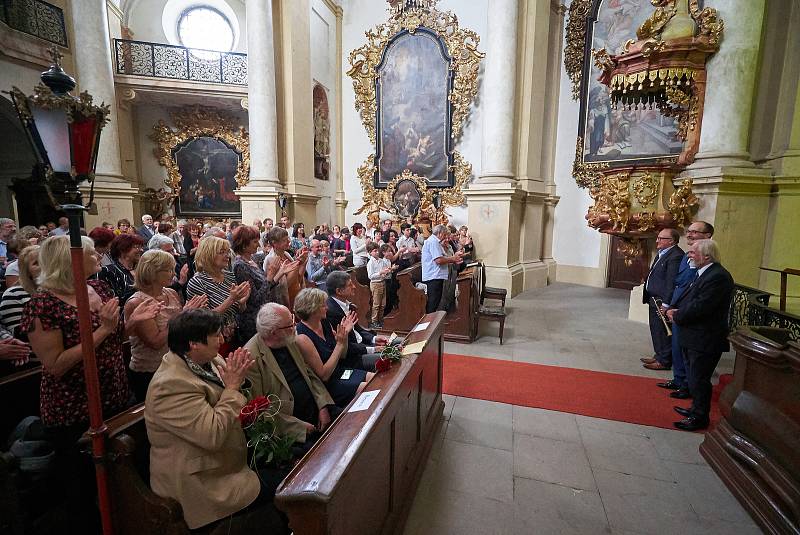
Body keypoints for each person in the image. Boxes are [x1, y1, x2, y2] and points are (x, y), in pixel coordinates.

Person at [20, 235, 132, 531]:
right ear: (70, 261)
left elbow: (116, 337)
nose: (99, 256)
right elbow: (55, 365)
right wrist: (104, 330)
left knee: (116, 477)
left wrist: (130, 323)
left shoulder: (98, 286)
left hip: (114, 394)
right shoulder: (42, 304)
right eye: (92, 252)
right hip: (74, 406)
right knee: (80, 483)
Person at [145, 309, 289, 533]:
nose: (222, 340)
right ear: (194, 344)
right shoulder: (170, 385)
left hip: (227, 462)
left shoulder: (209, 359)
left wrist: (241, 382)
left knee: (294, 463)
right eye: (215, 336)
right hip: (204, 481)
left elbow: (231, 399)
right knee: (287, 484)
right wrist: (232, 388)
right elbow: (212, 436)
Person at [244, 303, 335, 447]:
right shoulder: (250, 358)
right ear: (273, 332)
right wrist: (299, 427)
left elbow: (309, 374)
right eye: (289, 325)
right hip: (291, 429)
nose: (295, 326)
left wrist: (322, 405)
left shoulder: (288, 340)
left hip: (317, 411)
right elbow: (259, 411)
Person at [666, 239, 734, 431]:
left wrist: (677, 314)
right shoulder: (703, 273)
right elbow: (691, 300)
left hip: (705, 338)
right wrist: (677, 309)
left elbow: (702, 306)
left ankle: (699, 417)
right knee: (694, 376)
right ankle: (696, 408)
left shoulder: (718, 277)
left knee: (699, 378)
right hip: (694, 336)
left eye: (693, 252)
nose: (689, 255)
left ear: (707, 256)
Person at [124, 250, 207, 401]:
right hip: (151, 371)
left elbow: (180, 329)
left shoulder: (171, 293)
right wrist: (182, 316)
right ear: (152, 271)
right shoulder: (137, 302)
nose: (173, 273)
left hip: (175, 364)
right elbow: (155, 342)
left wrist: (191, 315)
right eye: (168, 269)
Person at [651, 221, 715, 398]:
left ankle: (687, 385)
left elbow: (691, 286)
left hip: (687, 310)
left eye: (695, 232)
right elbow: (678, 282)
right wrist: (671, 304)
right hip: (677, 307)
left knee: (687, 352)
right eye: (690, 231)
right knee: (677, 347)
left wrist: (675, 306)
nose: (690, 234)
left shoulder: (708, 261)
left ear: (708, 236)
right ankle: (679, 380)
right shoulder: (688, 256)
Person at [294, 288, 374, 406]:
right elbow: (324, 375)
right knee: (370, 389)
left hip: (341, 371)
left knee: (377, 379)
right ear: (312, 309)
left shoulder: (324, 322)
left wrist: (344, 336)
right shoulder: (302, 337)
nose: (327, 307)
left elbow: (342, 355)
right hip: (328, 385)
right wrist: (339, 344)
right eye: (323, 305)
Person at [232, 225, 296, 346]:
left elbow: (266, 287)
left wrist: (280, 272)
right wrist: (271, 275)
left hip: (261, 315)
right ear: (244, 244)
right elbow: (255, 299)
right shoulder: (240, 266)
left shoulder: (252, 260)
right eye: (255, 242)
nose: (258, 245)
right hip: (252, 321)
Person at [186, 236, 251, 355]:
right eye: (222, 252)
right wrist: (231, 299)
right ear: (208, 254)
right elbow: (203, 319)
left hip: (234, 336)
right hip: (212, 341)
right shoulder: (197, 281)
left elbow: (238, 310)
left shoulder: (228, 275)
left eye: (227, 252)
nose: (227, 256)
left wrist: (242, 302)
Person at [325, 271, 389, 371]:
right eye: (350, 285)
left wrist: (374, 339)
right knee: (389, 357)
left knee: (398, 343)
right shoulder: (332, 312)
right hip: (353, 357)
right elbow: (345, 346)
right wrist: (372, 349)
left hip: (361, 346)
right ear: (339, 291)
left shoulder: (347, 305)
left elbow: (357, 331)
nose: (354, 287)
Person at [641, 228, 683, 371]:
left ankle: (664, 360)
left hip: (661, 300)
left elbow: (671, 281)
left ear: (671, 241)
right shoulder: (663, 253)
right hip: (654, 297)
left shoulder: (675, 255)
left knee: (663, 331)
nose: (657, 240)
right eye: (658, 237)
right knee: (655, 328)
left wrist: (666, 303)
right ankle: (659, 355)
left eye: (661, 238)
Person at [421, 225, 464, 314]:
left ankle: (432, 322)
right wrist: (453, 259)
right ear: (440, 233)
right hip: (433, 276)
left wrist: (453, 260)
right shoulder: (433, 242)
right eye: (444, 235)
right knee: (433, 303)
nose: (445, 237)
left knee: (435, 301)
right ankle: (429, 323)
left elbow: (442, 257)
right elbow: (439, 260)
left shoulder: (435, 242)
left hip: (437, 275)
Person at [0, 245, 39, 337]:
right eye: (36, 263)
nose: (43, 266)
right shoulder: (14, 294)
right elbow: (21, 336)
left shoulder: (58, 291)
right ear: (26, 270)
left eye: (45, 261)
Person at [263, 227, 307, 308]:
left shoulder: (286, 254)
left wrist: (303, 263)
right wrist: (296, 265)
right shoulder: (270, 259)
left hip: (296, 298)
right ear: (275, 243)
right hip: (284, 302)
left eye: (288, 239)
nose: (288, 242)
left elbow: (299, 278)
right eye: (284, 240)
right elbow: (280, 288)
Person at [100, 233, 145, 306]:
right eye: (137, 247)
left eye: (141, 247)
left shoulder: (141, 269)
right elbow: (114, 300)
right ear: (123, 249)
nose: (141, 250)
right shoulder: (108, 271)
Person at [366, 243, 394, 329]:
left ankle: (380, 319)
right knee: (376, 304)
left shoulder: (381, 261)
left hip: (382, 282)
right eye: (375, 251)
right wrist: (380, 273)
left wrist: (389, 270)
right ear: (370, 252)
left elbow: (385, 271)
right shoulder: (370, 263)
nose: (377, 252)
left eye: (378, 250)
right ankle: (374, 321)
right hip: (375, 284)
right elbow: (370, 276)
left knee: (383, 304)